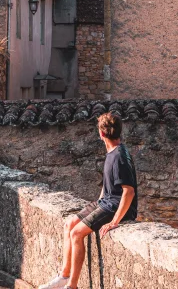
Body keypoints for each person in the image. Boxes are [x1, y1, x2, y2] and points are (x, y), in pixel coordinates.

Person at [39, 112, 138, 289]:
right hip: (105, 202)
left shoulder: (120, 157)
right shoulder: (113, 151)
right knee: (69, 224)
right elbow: (108, 185)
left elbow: (128, 191)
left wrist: (115, 221)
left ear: (101, 134)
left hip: (115, 207)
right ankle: (63, 276)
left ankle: (72, 286)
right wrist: (97, 204)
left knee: (77, 233)